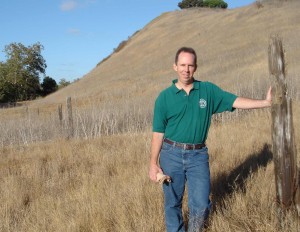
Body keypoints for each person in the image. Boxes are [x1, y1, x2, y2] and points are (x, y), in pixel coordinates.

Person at [148, 47, 272, 232]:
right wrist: (153, 163)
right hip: (171, 154)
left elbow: (235, 101)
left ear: (196, 67)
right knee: (172, 203)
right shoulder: (164, 98)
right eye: (182, 65)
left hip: (198, 156)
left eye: (190, 65)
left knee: (201, 205)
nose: (186, 69)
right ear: (175, 66)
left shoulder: (207, 91)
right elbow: (158, 133)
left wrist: (265, 102)